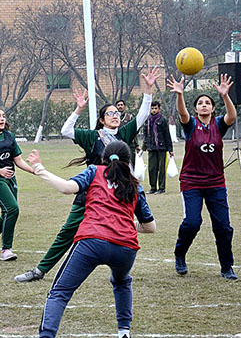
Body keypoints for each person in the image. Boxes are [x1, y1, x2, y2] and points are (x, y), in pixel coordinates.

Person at [14, 68, 160, 283]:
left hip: (122, 191)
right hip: (92, 192)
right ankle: (40, 270)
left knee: (138, 226)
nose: (115, 116)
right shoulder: (92, 136)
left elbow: (143, 115)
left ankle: (120, 275)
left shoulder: (125, 133)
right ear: (101, 120)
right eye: (110, 113)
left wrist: (148, 89)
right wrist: (78, 109)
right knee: (67, 232)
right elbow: (66, 130)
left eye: (117, 113)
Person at [27, 141, 155, 338]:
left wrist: (39, 168)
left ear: (104, 159)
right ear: (128, 162)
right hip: (125, 248)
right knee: (122, 282)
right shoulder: (135, 184)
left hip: (92, 242)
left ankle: (46, 335)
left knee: (59, 293)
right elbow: (150, 227)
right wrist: (125, 224)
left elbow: (67, 188)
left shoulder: (95, 171)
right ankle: (124, 332)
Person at [166, 74, 238, 280]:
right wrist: (180, 95)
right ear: (196, 109)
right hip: (191, 182)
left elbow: (231, 116)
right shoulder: (190, 126)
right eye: (200, 103)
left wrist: (225, 96)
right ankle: (180, 254)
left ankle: (226, 267)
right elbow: (182, 114)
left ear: (213, 108)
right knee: (192, 223)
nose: (204, 105)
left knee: (223, 227)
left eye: (207, 103)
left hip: (215, 182)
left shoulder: (218, 124)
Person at [0, 107, 35, 261]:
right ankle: (6, 250)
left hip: (10, 179)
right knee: (13, 209)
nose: (2, 119)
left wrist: (34, 170)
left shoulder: (9, 136)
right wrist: (0, 171)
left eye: (3, 116)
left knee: (7, 212)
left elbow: (19, 160)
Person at [142, 100, 174, 194]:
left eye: (156, 108)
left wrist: (170, 149)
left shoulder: (162, 120)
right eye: (152, 108)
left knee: (161, 168)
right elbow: (145, 134)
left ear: (159, 109)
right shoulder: (148, 120)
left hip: (161, 147)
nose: (154, 110)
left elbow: (167, 135)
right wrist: (143, 147)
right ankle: (152, 187)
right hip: (151, 148)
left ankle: (161, 187)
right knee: (152, 168)